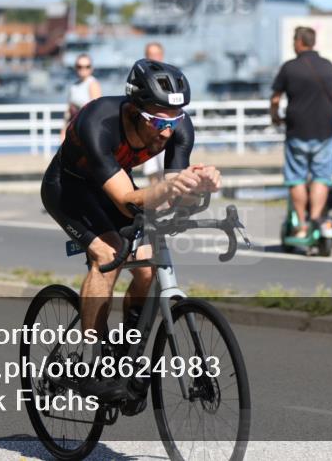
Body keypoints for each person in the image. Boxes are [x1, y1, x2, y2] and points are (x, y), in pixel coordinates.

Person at [41, 60, 220, 402]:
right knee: (107, 255)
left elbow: (171, 196)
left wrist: (201, 188)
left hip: (115, 182)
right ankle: (97, 359)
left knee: (148, 263)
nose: (167, 131)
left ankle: (126, 348)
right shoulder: (98, 122)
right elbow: (126, 201)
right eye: (158, 121)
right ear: (135, 110)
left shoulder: (178, 127)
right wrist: (170, 190)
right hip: (69, 189)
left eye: (174, 119)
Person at [270, 26, 332, 238]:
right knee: (321, 177)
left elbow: (275, 98)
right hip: (325, 130)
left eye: (294, 40)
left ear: (299, 42)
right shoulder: (328, 66)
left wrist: (275, 116)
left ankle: (301, 224)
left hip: (297, 130)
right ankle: (316, 219)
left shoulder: (289, 67)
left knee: (296, 179)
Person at [141, 42, 166, 185]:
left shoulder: (167, 77)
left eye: (156, 55)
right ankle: (155, 205)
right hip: (148, 129)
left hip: (164, 128)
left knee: (165, 169)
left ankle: (167, 204)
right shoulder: (142, 77)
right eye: (150, 55)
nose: (154, 58)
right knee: (151, 170)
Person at [66, 54, 102, 124]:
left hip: (86, 125)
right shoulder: (74, 86)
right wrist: (64, 129)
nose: (83, 69)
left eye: (87, 66)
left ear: (91, 68)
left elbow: (96, 110)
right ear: (75, 67)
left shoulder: (93, 84)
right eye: (80, 66)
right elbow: (68, 111)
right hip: (74, 126)